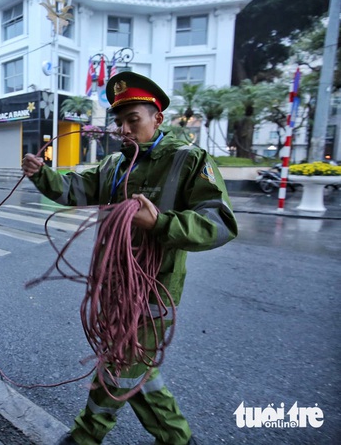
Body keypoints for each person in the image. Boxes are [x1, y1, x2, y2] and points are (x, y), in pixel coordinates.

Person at [22, 72, 238, 445]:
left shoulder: (188, 160)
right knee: (132, 366)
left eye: (133, 119)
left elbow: (219, 222)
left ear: (158, 118)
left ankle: (88, 435)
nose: (124, 129)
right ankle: (176, 437)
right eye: (119, 122)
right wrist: (44, 175)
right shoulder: (113, 165)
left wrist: (160, 223)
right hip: (113, 286)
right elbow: (75, 188)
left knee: (122, 365)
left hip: (153, 292)